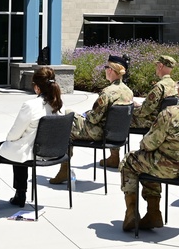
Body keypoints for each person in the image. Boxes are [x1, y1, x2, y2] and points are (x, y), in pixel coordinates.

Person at [119, 72, 179, 231]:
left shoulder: (171, 113)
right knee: (149, 161)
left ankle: (132, 212)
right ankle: (153, 213)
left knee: (131, 160)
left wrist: (143, 145)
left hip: (170, 169)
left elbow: (149, 143)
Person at [0, 66, 64, 211]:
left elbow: (14, 134)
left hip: (32, 153)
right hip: (51, 152)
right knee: (20, 148)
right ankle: (20, 194)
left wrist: (10, 140)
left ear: (37, 87)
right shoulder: (58, 105)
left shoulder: (31, 105)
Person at [49, 56, 133, 184]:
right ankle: (114, 156)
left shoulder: (108, 92)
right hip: (117, 135)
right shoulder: (128, 91)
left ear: (110, 70)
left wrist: (84, 115)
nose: (104, 70)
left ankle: (64, 169)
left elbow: (93, 119)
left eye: (106, 67)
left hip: (100, 133)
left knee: (67, 121)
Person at [103, 55, 178, 168]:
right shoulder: (174, 85)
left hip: (150, 121)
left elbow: (144, 111)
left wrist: (130, 107)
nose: (156, 68)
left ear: (161, 66)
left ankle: (114, 156)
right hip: (162, 121)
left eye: (156, 65)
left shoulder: (159, 86)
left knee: (117, 117)